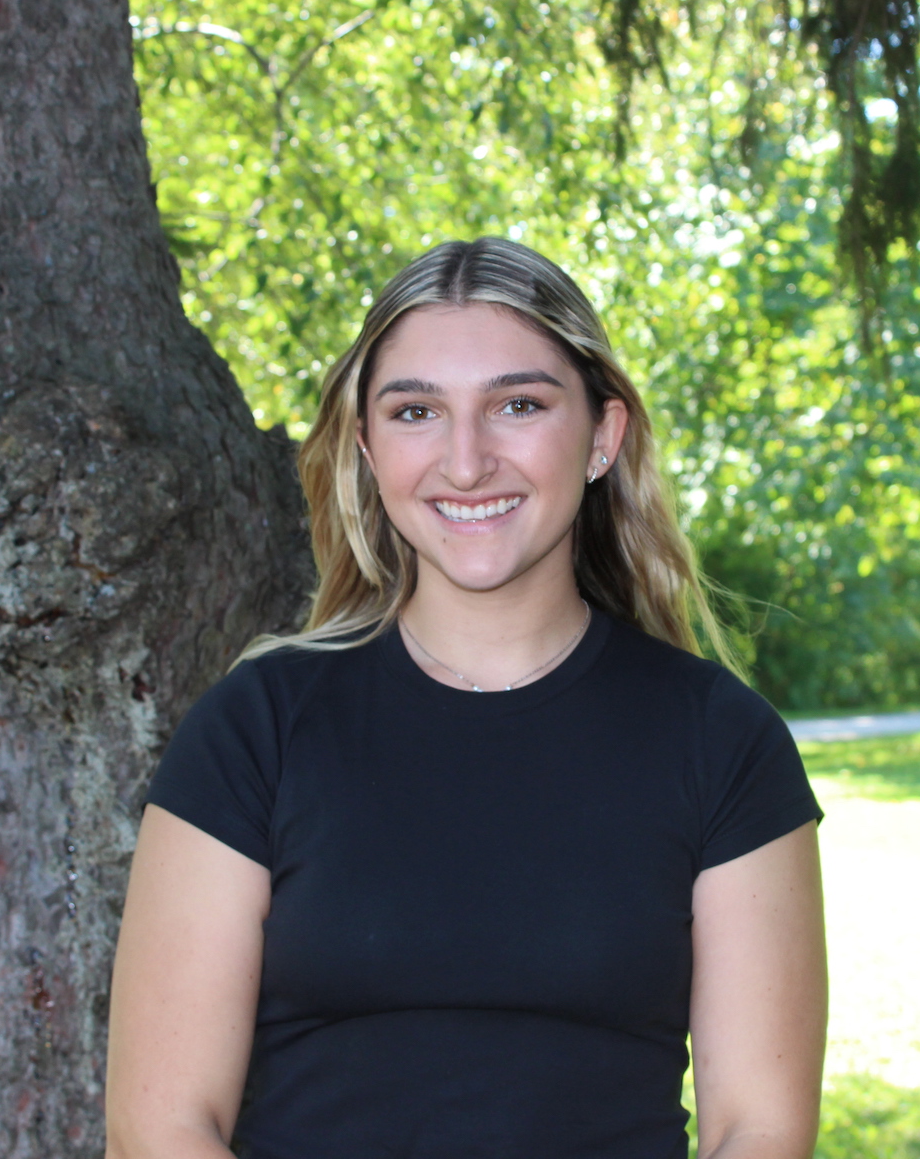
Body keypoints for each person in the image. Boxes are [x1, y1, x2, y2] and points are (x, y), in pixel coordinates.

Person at [103, 238, 827, 1159]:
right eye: (416, 412)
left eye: (518, 404)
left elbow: (757, 1130)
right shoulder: (256, 731)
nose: (467, 459)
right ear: (367, 447)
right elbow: (159, 1127)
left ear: (603, 437)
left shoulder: (721, 743)